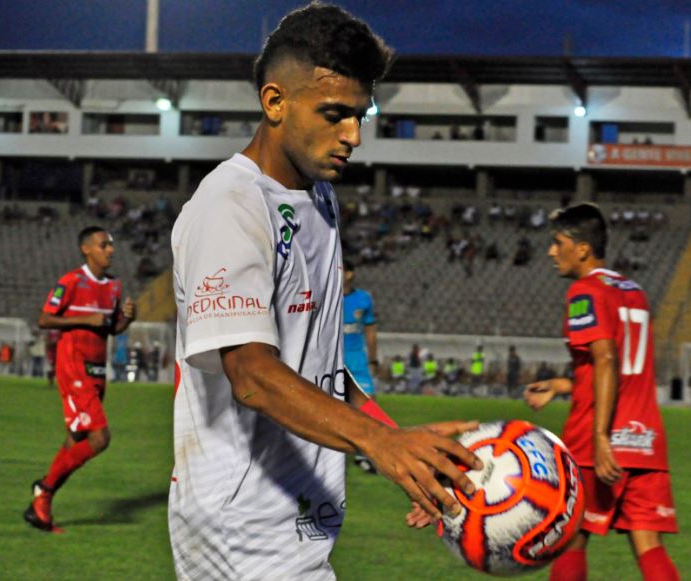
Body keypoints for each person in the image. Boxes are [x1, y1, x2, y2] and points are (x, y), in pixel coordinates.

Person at [168, 6, 481, 579]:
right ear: (275, 102)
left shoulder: (318, 199)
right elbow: (253, 374)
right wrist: (378, 446)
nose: (353, 136)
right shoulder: (230, 207)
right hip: (240, 531)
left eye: (360, 116)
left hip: (297, 524)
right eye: (334, 114)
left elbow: (317, 364)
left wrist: (399, 442)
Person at [524, 203, 679, 581]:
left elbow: (607, 358)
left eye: (558, 242)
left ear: (582, 249)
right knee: (649, 546)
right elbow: (622, 367)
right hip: (644, 439)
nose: (551, 252)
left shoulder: (584, 292)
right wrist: (564, 385)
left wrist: (600, 436)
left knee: (571, 538)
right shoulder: (633, 290)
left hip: (597, 441)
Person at [24, 226, 136, 533]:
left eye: (111, 245)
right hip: (73, 364)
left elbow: (112, 328)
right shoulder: (70, 282)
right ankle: (44, 490)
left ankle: (41, 508)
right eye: (104, 245)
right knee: (100, 438)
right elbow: (45, 319)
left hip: (98, 368)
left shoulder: (114, 286)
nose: (110, 249)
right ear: (87, 249)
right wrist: (84, 319)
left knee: (75, 439)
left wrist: (127, 318)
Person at [342, 259, 379, 473]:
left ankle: (363, 454)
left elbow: (370, 330)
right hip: (334, 358)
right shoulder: (327, 297)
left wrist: (373, 358)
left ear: (349, 274)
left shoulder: (363, 299)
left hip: (357, 360)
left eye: (342, 269)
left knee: (370, 406)